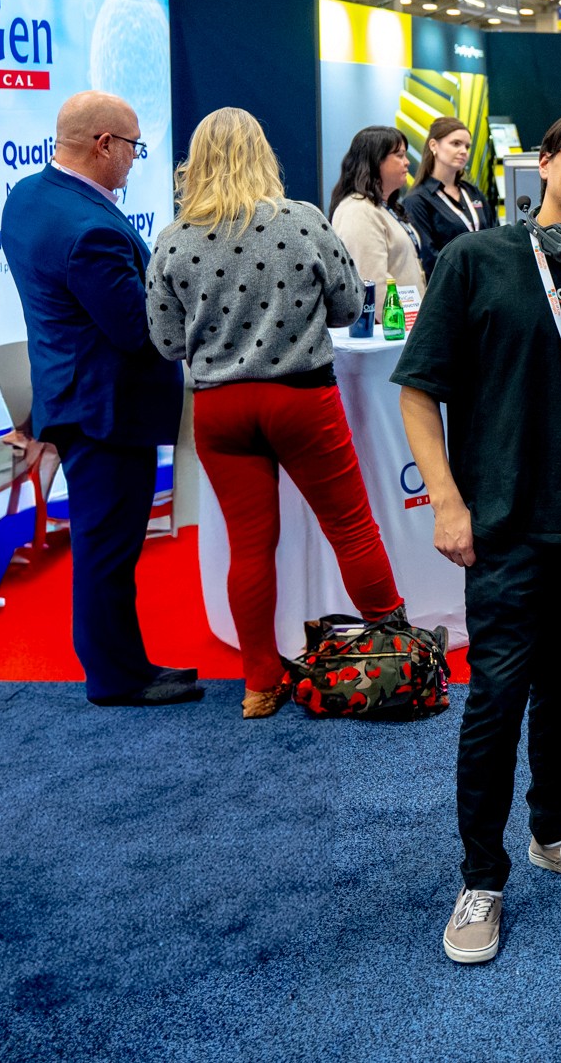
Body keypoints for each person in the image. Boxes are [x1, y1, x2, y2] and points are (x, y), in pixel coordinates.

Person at [393, 106, 561, 966]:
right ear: (544, 162)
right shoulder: (477, 261)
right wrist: (445, 499)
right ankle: (481, 872)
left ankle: (553, 831)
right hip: (505, 527)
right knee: (498, 696)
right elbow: (418, 389)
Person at [146, 108, 404, 718]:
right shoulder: (304, 221)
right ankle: (396, 652)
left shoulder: (174, 237)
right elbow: (346, 306)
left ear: (196, 162)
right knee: (352, 527)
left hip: (219, 408)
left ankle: (260, 684)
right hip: (301, 399)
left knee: (250, 547)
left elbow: (164, 342)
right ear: (264, 155)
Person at [2, 92, 195, 707]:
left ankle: (125, 665)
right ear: (103, 144)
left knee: (101, 546)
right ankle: (117, 678)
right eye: (134, 146)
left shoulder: (28, 197)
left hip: (71, 396)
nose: (137, 160)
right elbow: (136, 331)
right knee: (108, 551)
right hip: (108, 411)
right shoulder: (90, 229)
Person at [329, 125, 425, 293]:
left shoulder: (383, 208)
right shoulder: (358, 211)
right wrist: (397, 318)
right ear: (375, 160)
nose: (407, 161)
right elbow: (373, 283)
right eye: (400, 155)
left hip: (408, 316)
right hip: (387, 319)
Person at [404, 117, 493, 275]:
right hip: (449, 289)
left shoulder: (473, 193)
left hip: (486, 284)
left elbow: (495, 237)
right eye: (456, 144)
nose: (464, 151)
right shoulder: (417, 200)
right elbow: (428, 257)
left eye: (467, 146)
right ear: (433, 145)